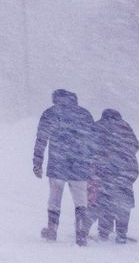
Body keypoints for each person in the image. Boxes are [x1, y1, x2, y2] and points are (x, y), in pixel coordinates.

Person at [32, 89, 95, 245]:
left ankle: (52, 229)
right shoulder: (85, 114)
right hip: (80, 165)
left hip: (57, 163)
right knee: (81, 201)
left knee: (54, 199)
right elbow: (94, 141)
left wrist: (37, 162)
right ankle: (81, 232)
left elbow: (41, 139)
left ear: (55, 99)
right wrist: (93, 163)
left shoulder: (50, 113)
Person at [90, 108, 139, 243]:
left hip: (105, 171)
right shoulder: (125, 127)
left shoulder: (98, 126)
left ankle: (104, 232)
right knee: (123, 202)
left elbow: (89, 147)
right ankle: (121, 234)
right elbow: (136, 146)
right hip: (127, 170)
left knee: (105, 200)